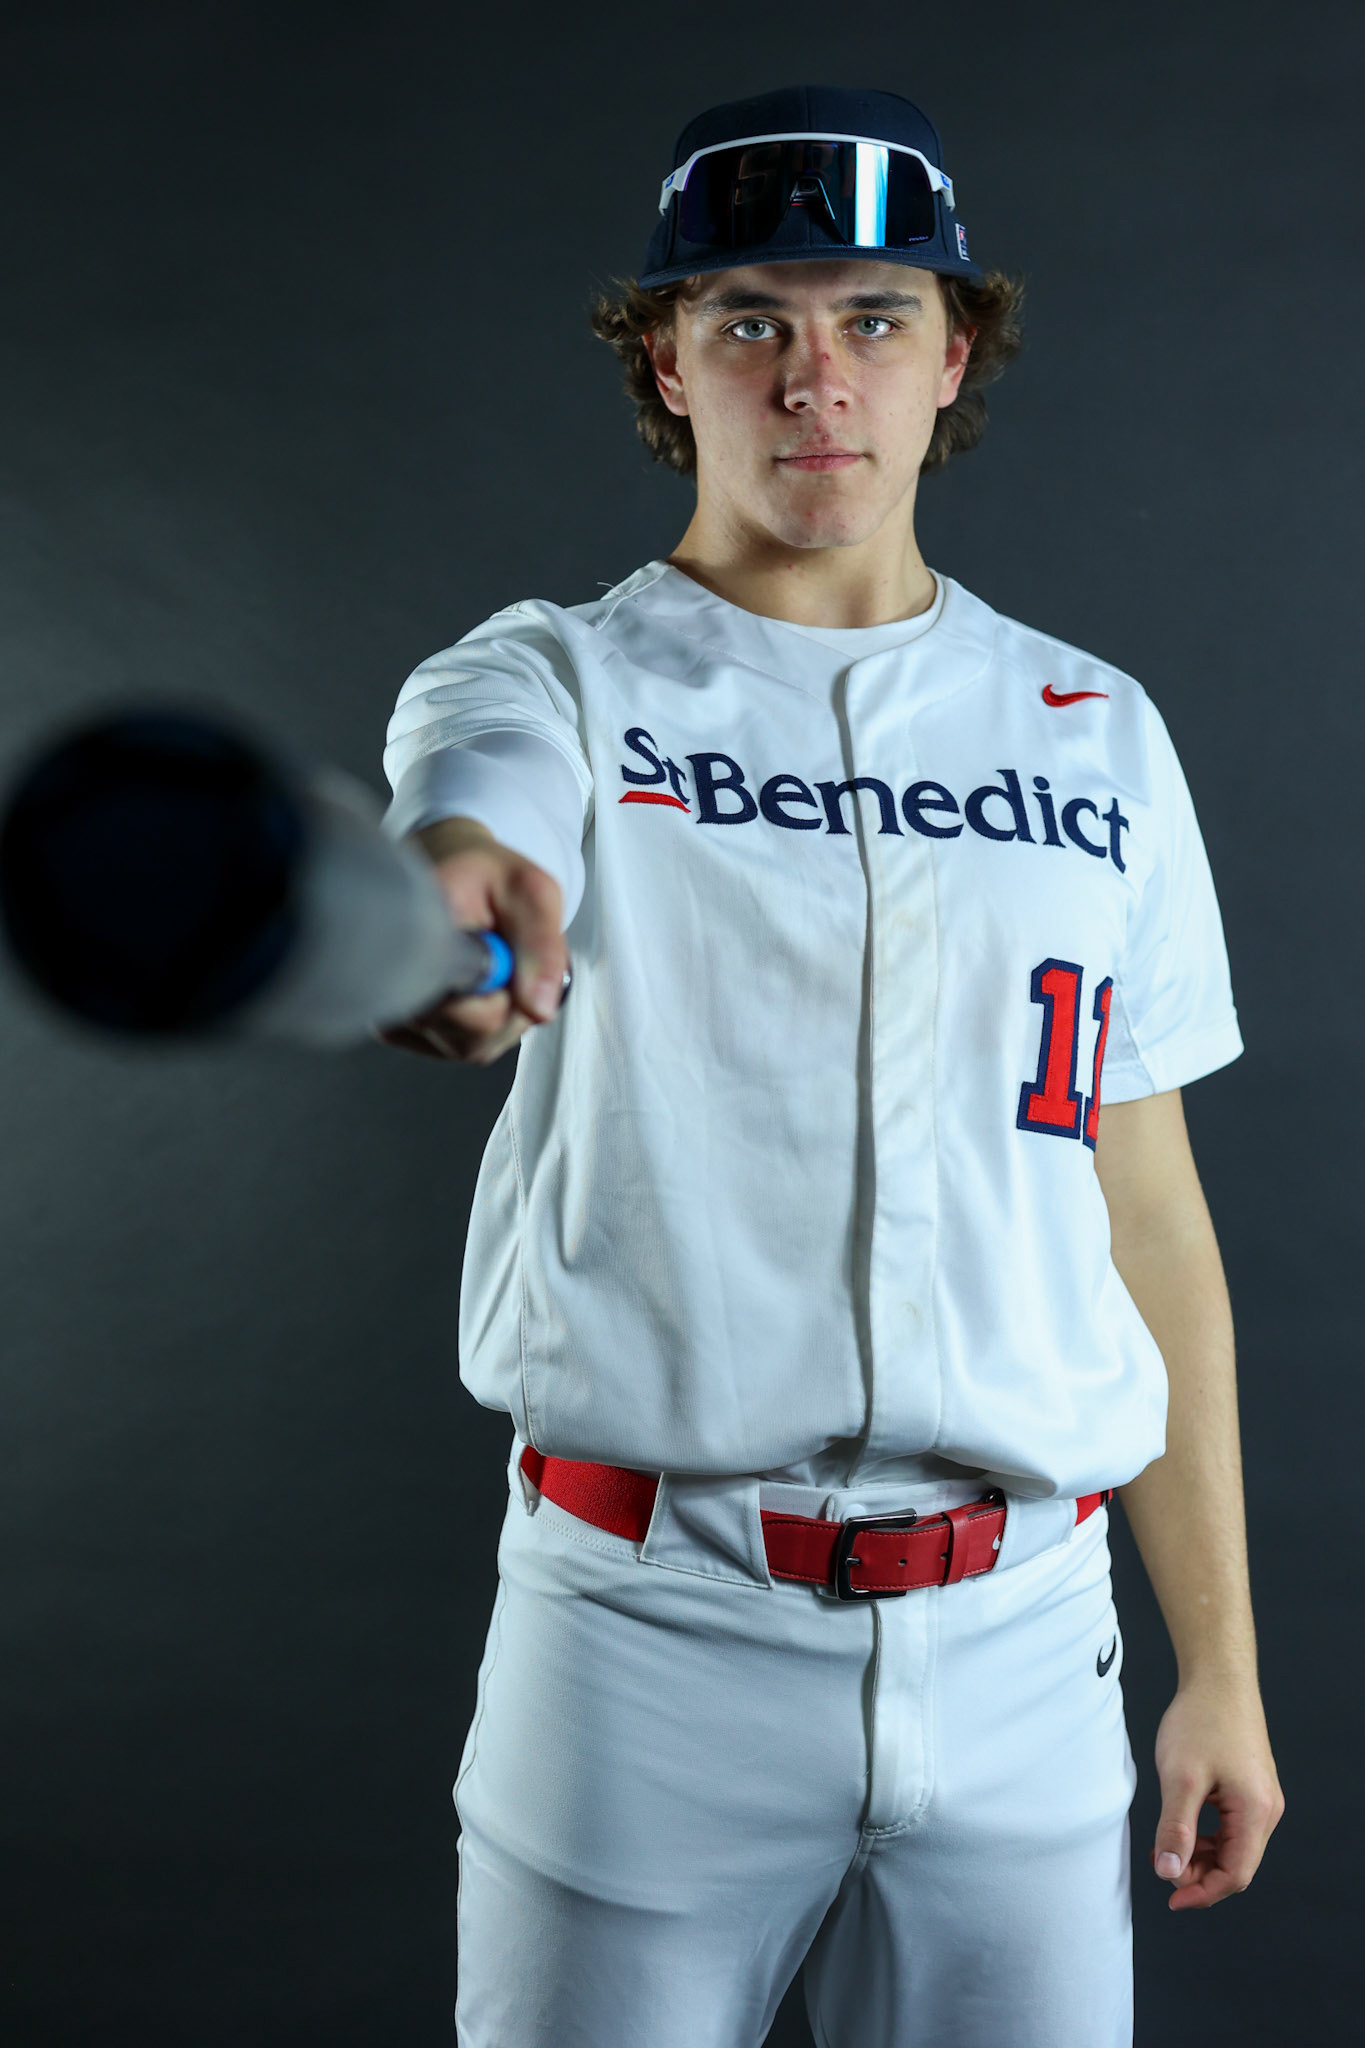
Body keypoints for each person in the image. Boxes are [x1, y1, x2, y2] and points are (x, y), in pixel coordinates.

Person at [378, 84, 1283, 2048]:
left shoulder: (1093, 732)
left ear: (952, 356)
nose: (815, 377)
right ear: (664, 357)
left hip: (1026, 1637)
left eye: (872, 318)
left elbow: (1149, 1217)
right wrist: (458, 927)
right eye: (750, 321)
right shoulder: (548, 680)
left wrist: (1212, 1662)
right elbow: (475, 852)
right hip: (645, 1634)